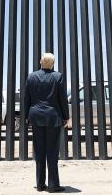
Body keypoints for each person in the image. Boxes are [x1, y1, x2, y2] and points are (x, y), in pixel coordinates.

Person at [25, 53, 70, 193]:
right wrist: (66, 116)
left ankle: (40, 184)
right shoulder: (58, 76)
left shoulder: (31, 76)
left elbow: (27, 98)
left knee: (39, 151)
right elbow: (62, 98)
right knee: (52, 151)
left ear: (40, 61)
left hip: (36, 116)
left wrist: (26, 115)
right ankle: (53, 185)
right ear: (53, 63)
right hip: (53, 117)